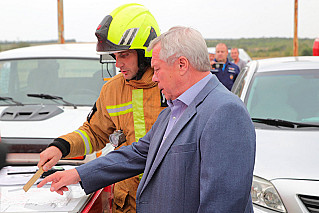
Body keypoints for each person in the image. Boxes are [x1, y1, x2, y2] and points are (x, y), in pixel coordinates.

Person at [38, 26, 256, 212]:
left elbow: (223, 204)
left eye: (158, 69)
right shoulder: (174, 110)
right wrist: (77, 174)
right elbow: (137, 153)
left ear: (182, 65)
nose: (153, 77)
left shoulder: (225, 111)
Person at [37, 3, 166, 212]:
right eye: (115, 56)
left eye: (124, 55)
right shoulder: (112, 90)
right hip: (128, 202)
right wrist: (61, 147)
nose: (118, 64)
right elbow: (94, 133)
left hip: (167, 197)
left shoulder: (169, 86)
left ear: (146, 53)